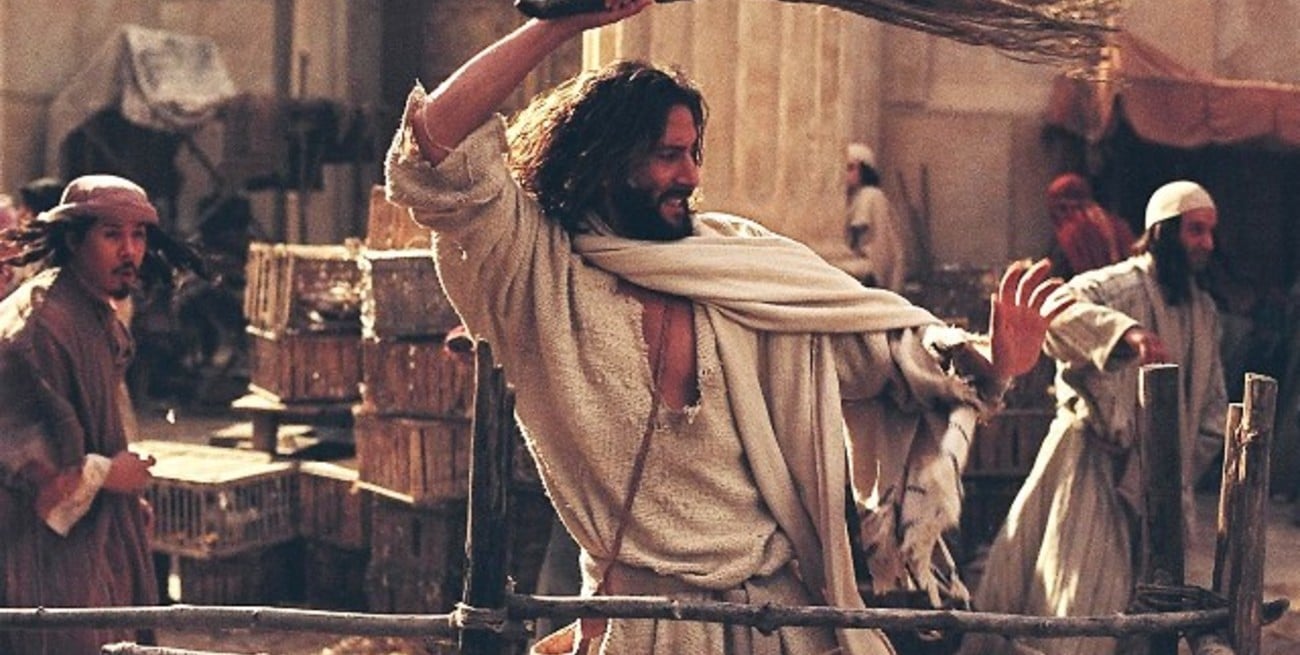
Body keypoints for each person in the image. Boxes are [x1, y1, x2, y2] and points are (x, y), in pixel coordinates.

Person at [385, 2, 1069, 652]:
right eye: (668, 155)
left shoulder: (739, 266)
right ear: (605, 161)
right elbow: (432, 150)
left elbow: (884, 354)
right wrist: (559, 25)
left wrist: (991, 359)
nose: (690, 175)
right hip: (642, 628)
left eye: (694, 153)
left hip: (780, 624)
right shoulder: (539, 278)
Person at [961, 180, 1228, 655]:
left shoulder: (1203, 310)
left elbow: (1212, 406)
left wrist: (1177, 467)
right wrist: (1125, 334)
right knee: (1079, 601)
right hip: (1091, 466)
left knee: (1147, 611)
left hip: (1159, 487)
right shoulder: (1117, 285)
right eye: (1195, 230)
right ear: (1163, 232)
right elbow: (1054, 312)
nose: (1207, 243)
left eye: (1210, 232)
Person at [0, 174, 201, 654]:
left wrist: (122, 500)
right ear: (74, 240)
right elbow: (21, 455)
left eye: (139, 235)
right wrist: (108, 475)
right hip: (40, 546)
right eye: (112, 235)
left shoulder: (89, 308)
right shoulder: (41, 325)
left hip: (91, 531)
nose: (129, 251)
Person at [1044, 172, 1136, 280]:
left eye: (1058, 208)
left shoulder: (1070, 235)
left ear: (1065, 206)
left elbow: (1058, 277)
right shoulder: (1118, 225)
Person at [845, 142, 907, 291]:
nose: (845, 174)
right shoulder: (851, 198)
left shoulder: (870, 196)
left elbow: (876, 244)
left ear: (864, 170)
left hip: (871, 268)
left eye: (851, 168)